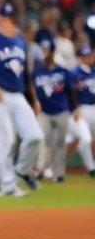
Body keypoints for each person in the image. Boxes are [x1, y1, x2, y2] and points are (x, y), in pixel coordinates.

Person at [0, 2, 44, 195]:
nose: (5, 21)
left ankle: (22, 169)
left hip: (18, 94)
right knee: (6, 140)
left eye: (9, 18)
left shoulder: (20, 41)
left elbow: (27, 75)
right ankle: (7, 186)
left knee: (35, 135)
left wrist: (34, 99)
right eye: (2, 18)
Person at [32, 38, 90, 184]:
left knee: (59, 143)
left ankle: (58, 174)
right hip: (44, 111)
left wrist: (74, 109)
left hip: (61, 110)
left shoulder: (63, 71)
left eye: (47, 51)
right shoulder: (37, 71)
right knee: (43, 139)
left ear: (52, 52)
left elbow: (70, 91)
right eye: (43, 51)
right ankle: (41, 168)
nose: (45, 53)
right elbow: (31, 88)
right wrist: (33, 102)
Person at [70, 45, 95, 177]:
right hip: (82, 108)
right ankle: (91, 168)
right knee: (85, 139)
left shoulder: (93, 71)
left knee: (88, 139)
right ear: (79, 58)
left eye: (89, 55)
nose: (88, 58)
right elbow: (70, 92)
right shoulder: (74, 73)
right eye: (85, 56)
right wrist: (74, 109)